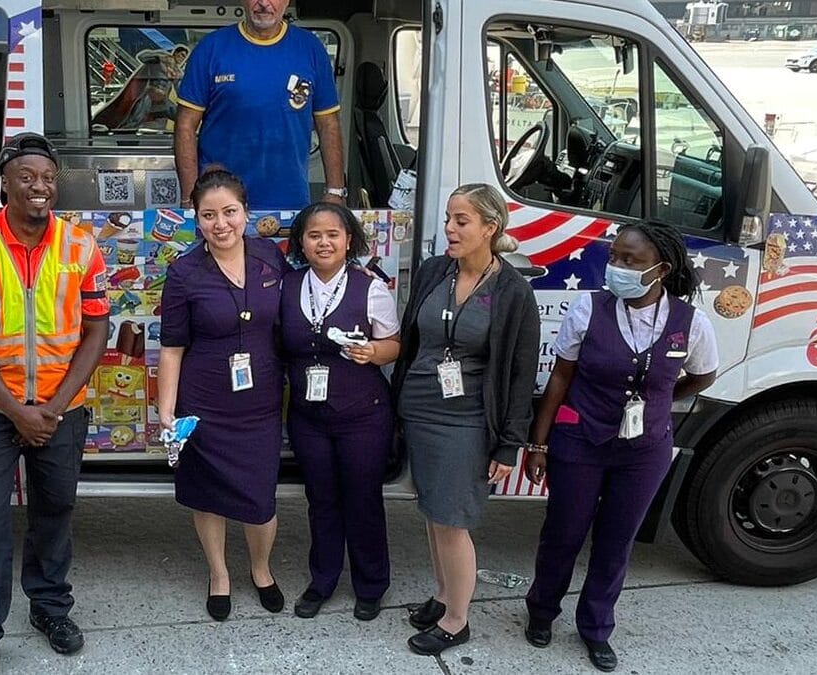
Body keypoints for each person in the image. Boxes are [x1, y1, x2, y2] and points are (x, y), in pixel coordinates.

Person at [0, 132, 110, 675]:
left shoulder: (81, 247)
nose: (40, 187)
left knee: (54, 513)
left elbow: (97, 329)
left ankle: (50, 609)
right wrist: (18, 412)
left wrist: (53, 409)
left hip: (61, 408)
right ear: (5, 183)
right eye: (28, 177)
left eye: (48, 178)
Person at [522, 224, 718, 673]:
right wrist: (539, 443)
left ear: (660, 270)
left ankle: (595, 629)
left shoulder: (691, 324)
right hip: (580, 441)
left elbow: (703, 376)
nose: (618, 268)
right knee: (563, 534)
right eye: (615, 258)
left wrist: (660, 401)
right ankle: (541, 612)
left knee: (616, 542)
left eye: (631, 261)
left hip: (643, 452)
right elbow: (561, 377)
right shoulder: (587, 309)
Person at [390, 183, 540, 655]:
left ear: (490, 228)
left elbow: (520, 372)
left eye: (461, 221)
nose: (450, 229)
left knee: (453, 520)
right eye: (449, 219)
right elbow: (414, 340)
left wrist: (510, 442)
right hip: (420, 410)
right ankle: (442, 595)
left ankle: (457, 620)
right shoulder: (437, 271)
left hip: (468, 419)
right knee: (434, 512)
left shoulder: (512, 291)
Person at [156, 167, 291, 622]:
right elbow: (172, 348)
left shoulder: (271, 257)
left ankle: (261, 568)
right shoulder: (184, 272)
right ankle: (219, 574)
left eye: (230, 212)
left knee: (260, 497)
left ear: (246, 213)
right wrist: (167, 412)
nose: (221, 223)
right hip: (205, 400)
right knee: (207, 493)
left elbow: (290, 322)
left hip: (261, 400)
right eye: (209, 214)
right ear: (196, 219)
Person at [279, 202, 400, 621]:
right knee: (321, 501)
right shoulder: (287, 285)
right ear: (302, 244)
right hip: (308, 418)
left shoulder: (371, 288)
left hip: (362, 415)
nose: (324, 242)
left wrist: (372, 352)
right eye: (314, 235)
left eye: (333, 234)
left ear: (349, 240)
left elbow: (394, 345)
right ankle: (323, 580)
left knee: (362, 499)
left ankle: (371, 584)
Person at [174, 0, 346, 210]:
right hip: (220, 202)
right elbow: (185, 126)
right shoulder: (210, 48)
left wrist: (335, 192)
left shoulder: (311, 49)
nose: (264, 3)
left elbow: (328, 124)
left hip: (289, 200)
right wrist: (189, 199)